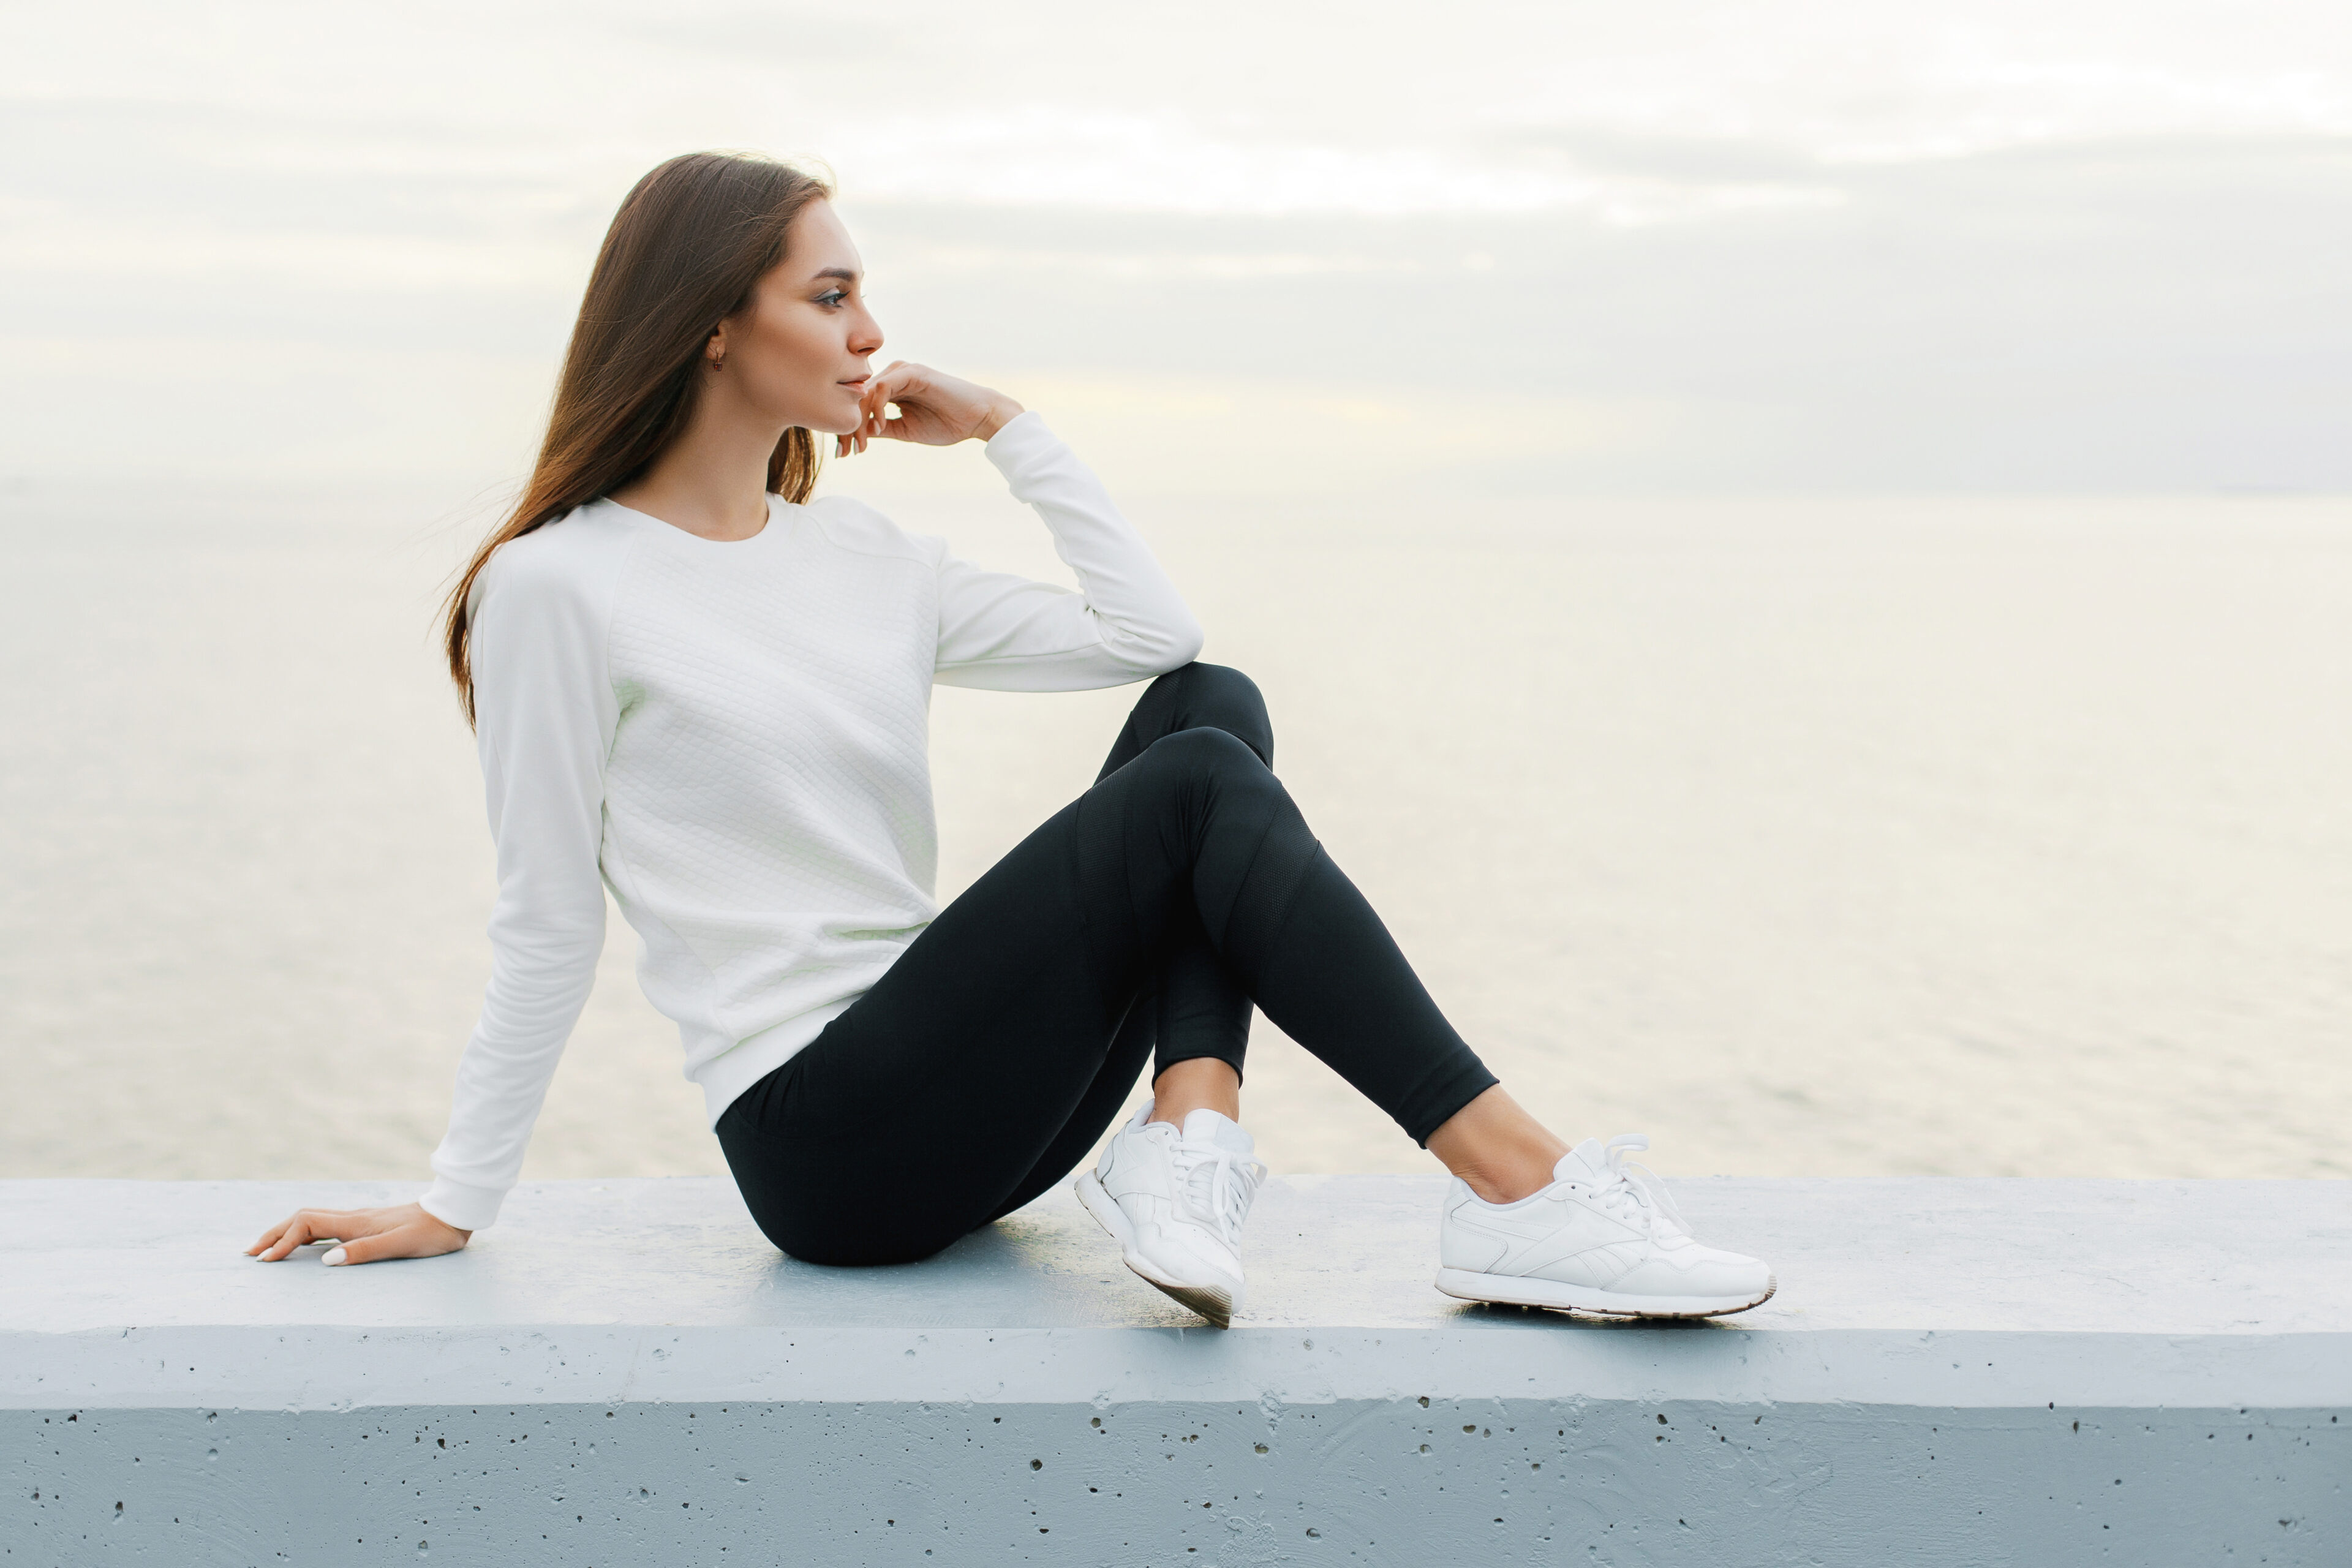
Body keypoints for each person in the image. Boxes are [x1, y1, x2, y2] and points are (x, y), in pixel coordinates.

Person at [247, 151, 1774, 1327]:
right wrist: (457, 1197)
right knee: (1191, 784)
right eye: (830, 294)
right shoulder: (559, 586)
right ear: (715, 325)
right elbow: (544, 914)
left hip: (985, 1107)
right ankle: (1520, 1185)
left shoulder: (862, 564)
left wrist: (1009, 433)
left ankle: (1187, 1143)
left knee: (1211, 709)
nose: (872, 329)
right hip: (827, 1145)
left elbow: (1152, 638)